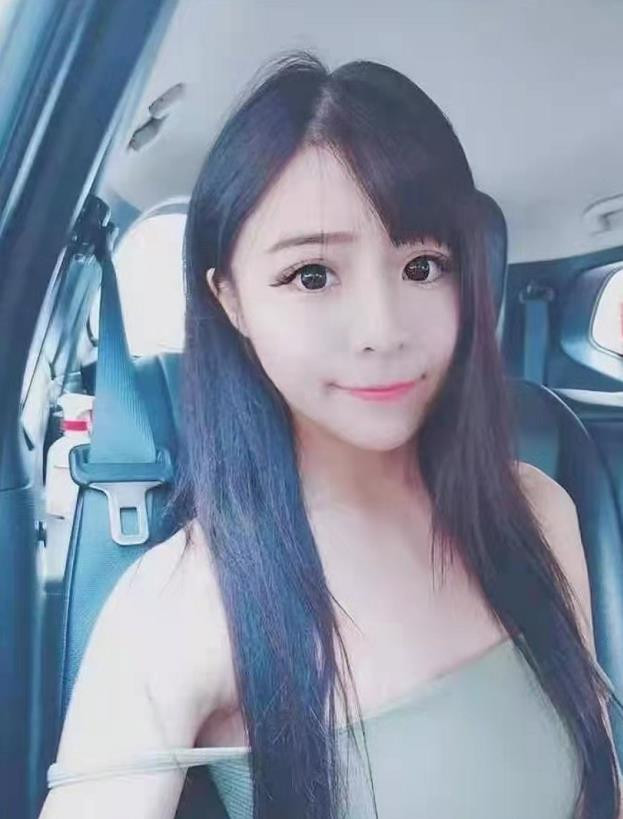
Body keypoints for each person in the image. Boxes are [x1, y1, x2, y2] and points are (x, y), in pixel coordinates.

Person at [39, 50, 622, 819]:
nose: (381, 329)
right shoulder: (182, 604)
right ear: (230, 299)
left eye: (423, 266)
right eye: (311, 275)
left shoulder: (537, 511)